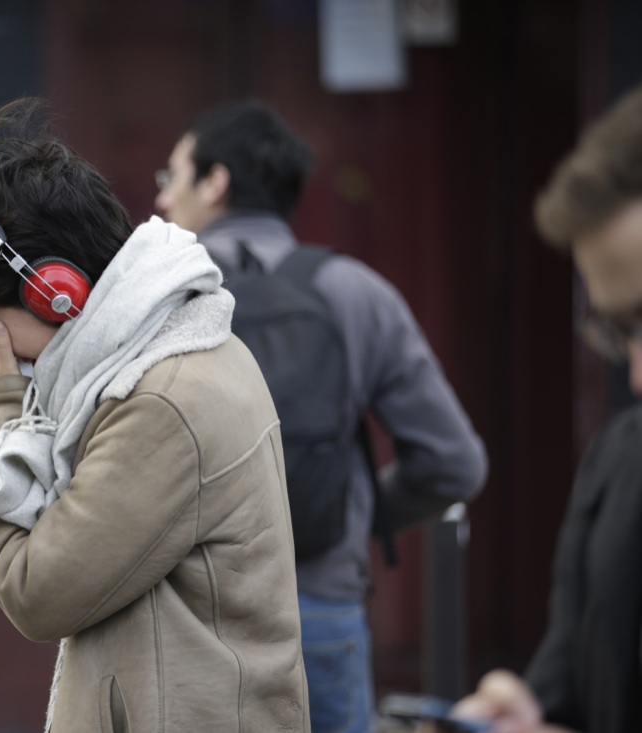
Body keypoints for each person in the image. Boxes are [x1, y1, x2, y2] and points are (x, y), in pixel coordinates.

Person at [0, 98, 309, 732]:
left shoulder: (161, 401)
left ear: (52, 289)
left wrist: (0, 407)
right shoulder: (171, 349)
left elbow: (37, 594)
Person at [154, 99, 488, 733]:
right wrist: (355, 511)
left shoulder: (155, 295)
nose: (164, 200)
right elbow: (455, 462)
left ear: (215, 181)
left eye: (171, 178)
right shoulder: (358, 293)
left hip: (187, 616)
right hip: (320, 610)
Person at [447, 84, 642, 733]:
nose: (638, 374)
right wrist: (528, 716)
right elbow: (573, 687)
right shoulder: (618, 463)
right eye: (621, 329)